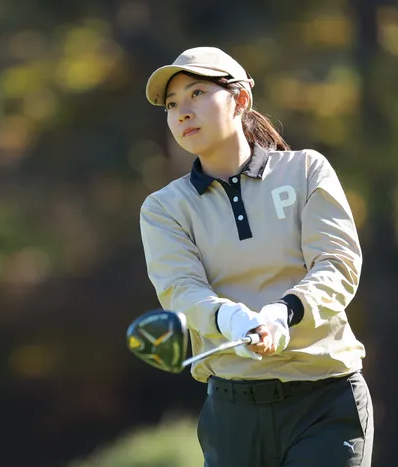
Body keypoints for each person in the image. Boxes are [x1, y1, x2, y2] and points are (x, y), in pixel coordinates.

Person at [138, 46, 374, 467]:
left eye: (197, 94)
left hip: (325, 401)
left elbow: (337, 264)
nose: (182, 112)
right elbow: (181, 290)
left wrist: (284, 313)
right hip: (233, 414)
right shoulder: (164, 208)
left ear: (241, 99)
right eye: (172, 105)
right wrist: (232, 319)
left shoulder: (306, 171)